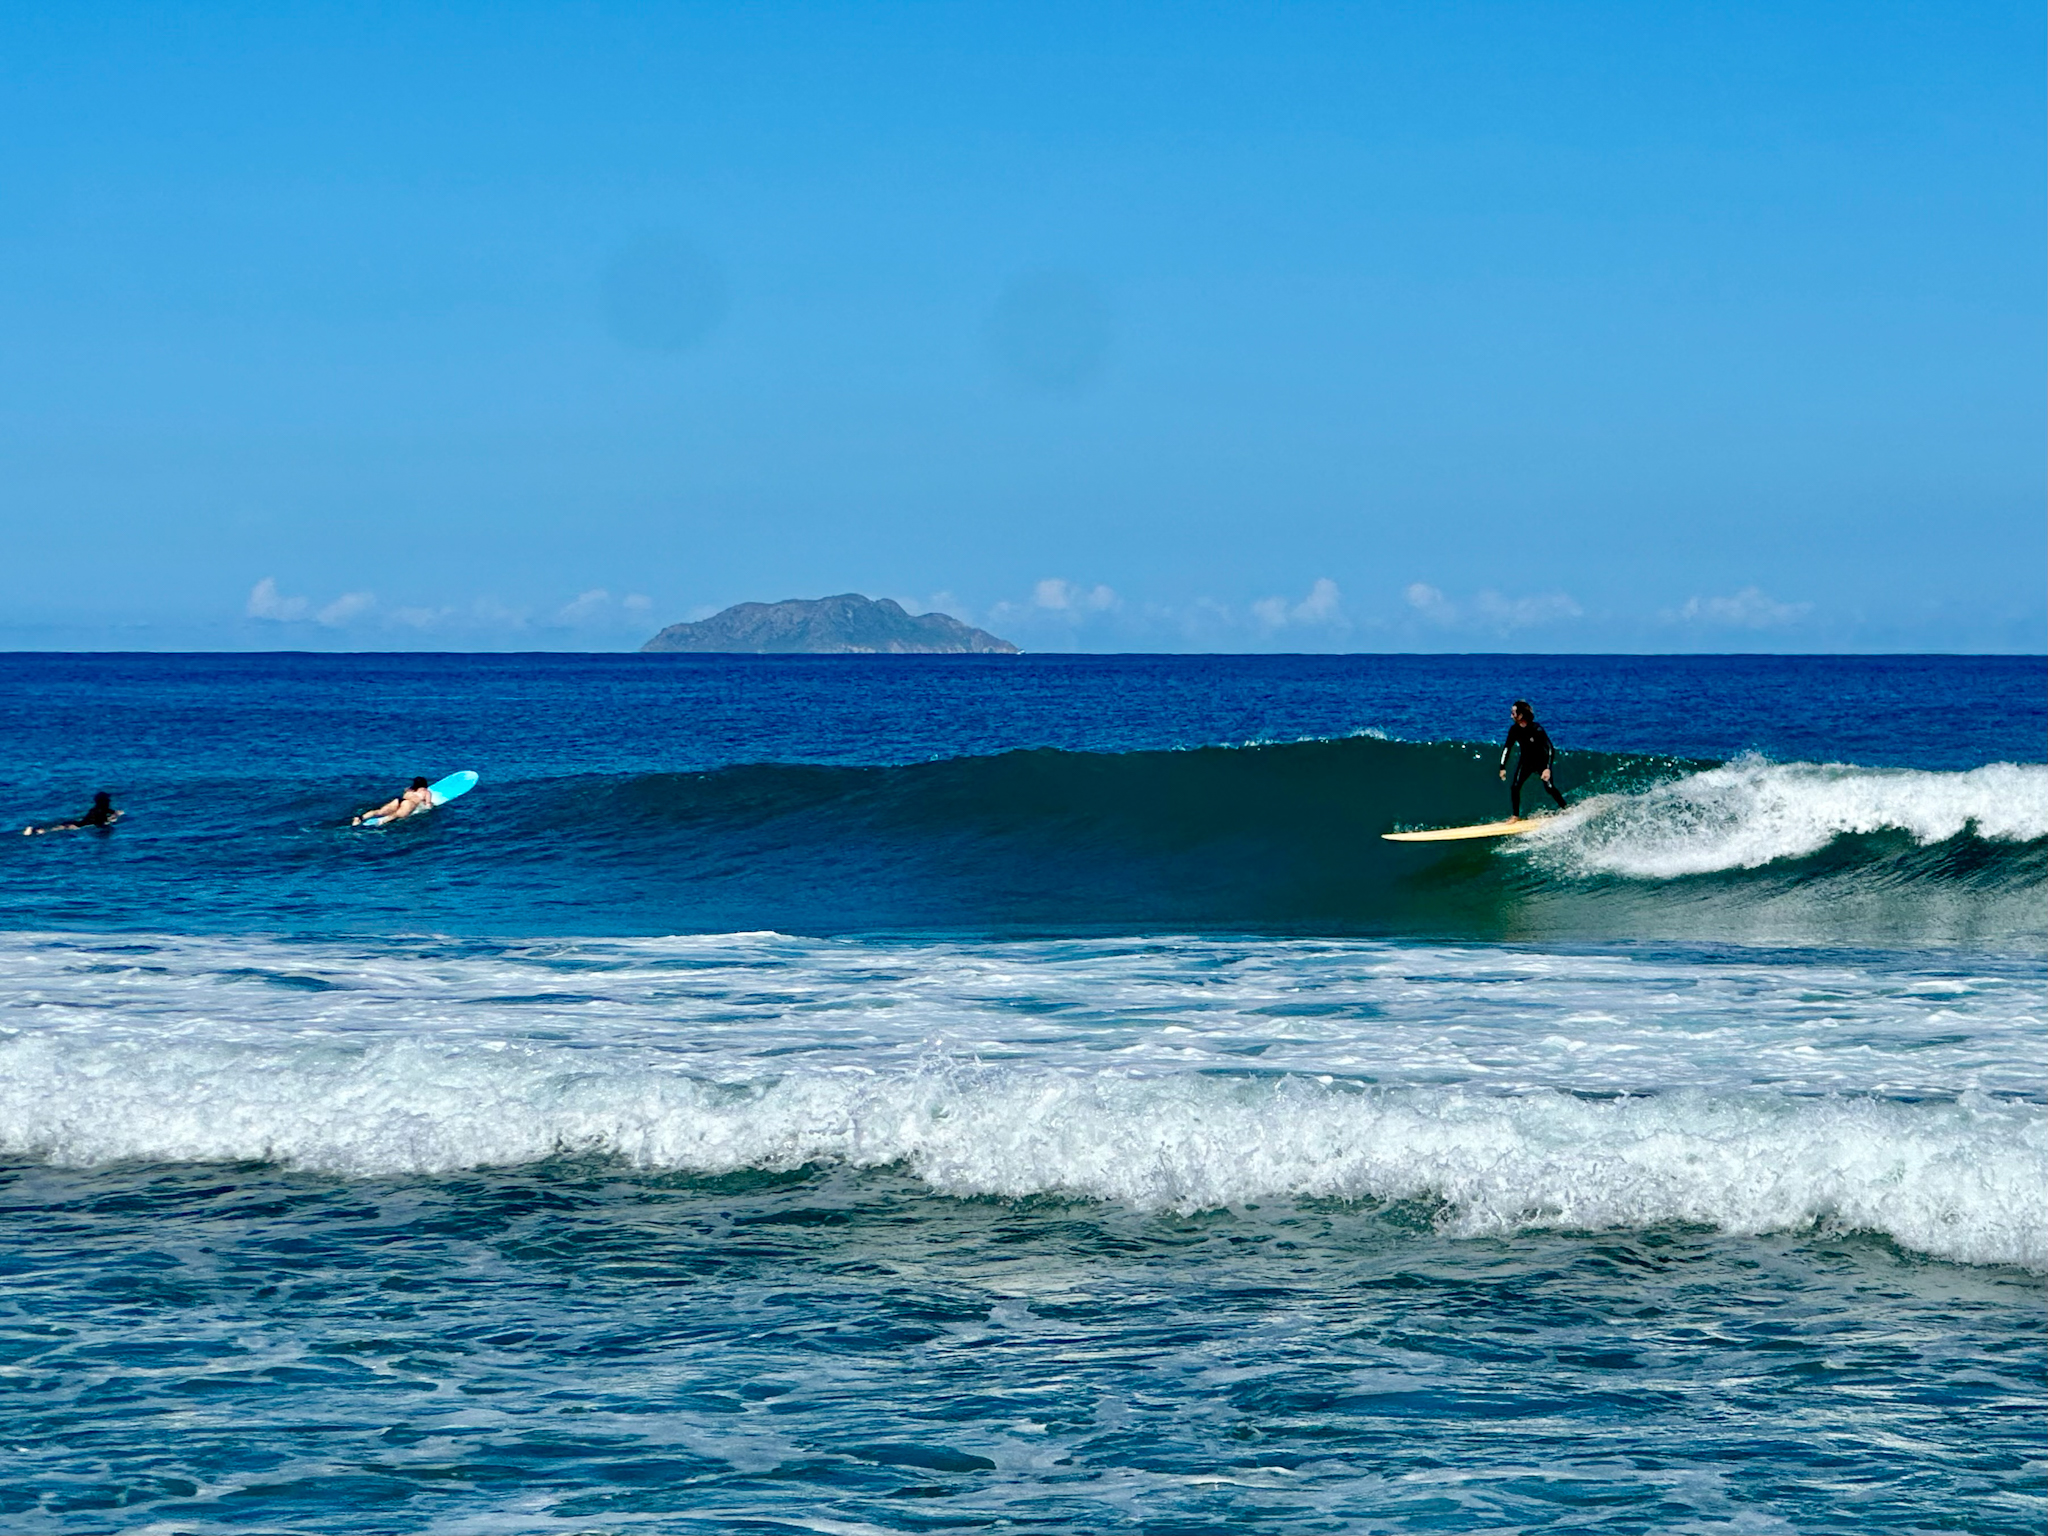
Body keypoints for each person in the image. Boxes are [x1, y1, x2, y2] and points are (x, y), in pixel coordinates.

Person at [1499, 700, 1568, 819]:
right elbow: (1507, 748)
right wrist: (1502, 767)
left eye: (1513, 713)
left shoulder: (1536, 729)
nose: (1511, 716)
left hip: (1541, 762)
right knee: (1515, 787)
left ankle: (1565, 809)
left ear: (1520, 715)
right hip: (1526, 762)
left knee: (1549, 788)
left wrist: (1547, 768)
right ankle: (1515, 816)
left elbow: (1550, 748)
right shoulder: (1514, 730)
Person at [23, 791, 121, 835]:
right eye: (107, 800)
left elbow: (110, 812)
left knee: (61, 826)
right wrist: (111, 819)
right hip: (81, 825)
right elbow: (100, 823)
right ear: (103, 801)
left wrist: (115, 814)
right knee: (60, 828)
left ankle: (36, 830)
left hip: (80, 823)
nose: (109, 801)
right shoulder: (99, 811)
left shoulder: (99, 809)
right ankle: (38, 831)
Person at [354, 777, 435, 826]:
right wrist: (430, 807)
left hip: (398, 800)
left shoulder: (409, 789)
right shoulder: (426, 792)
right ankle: (382, 821)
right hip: (409, 803)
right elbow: (428, 805)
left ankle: (360, 818)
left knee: (380, 811)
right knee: (398, 815)